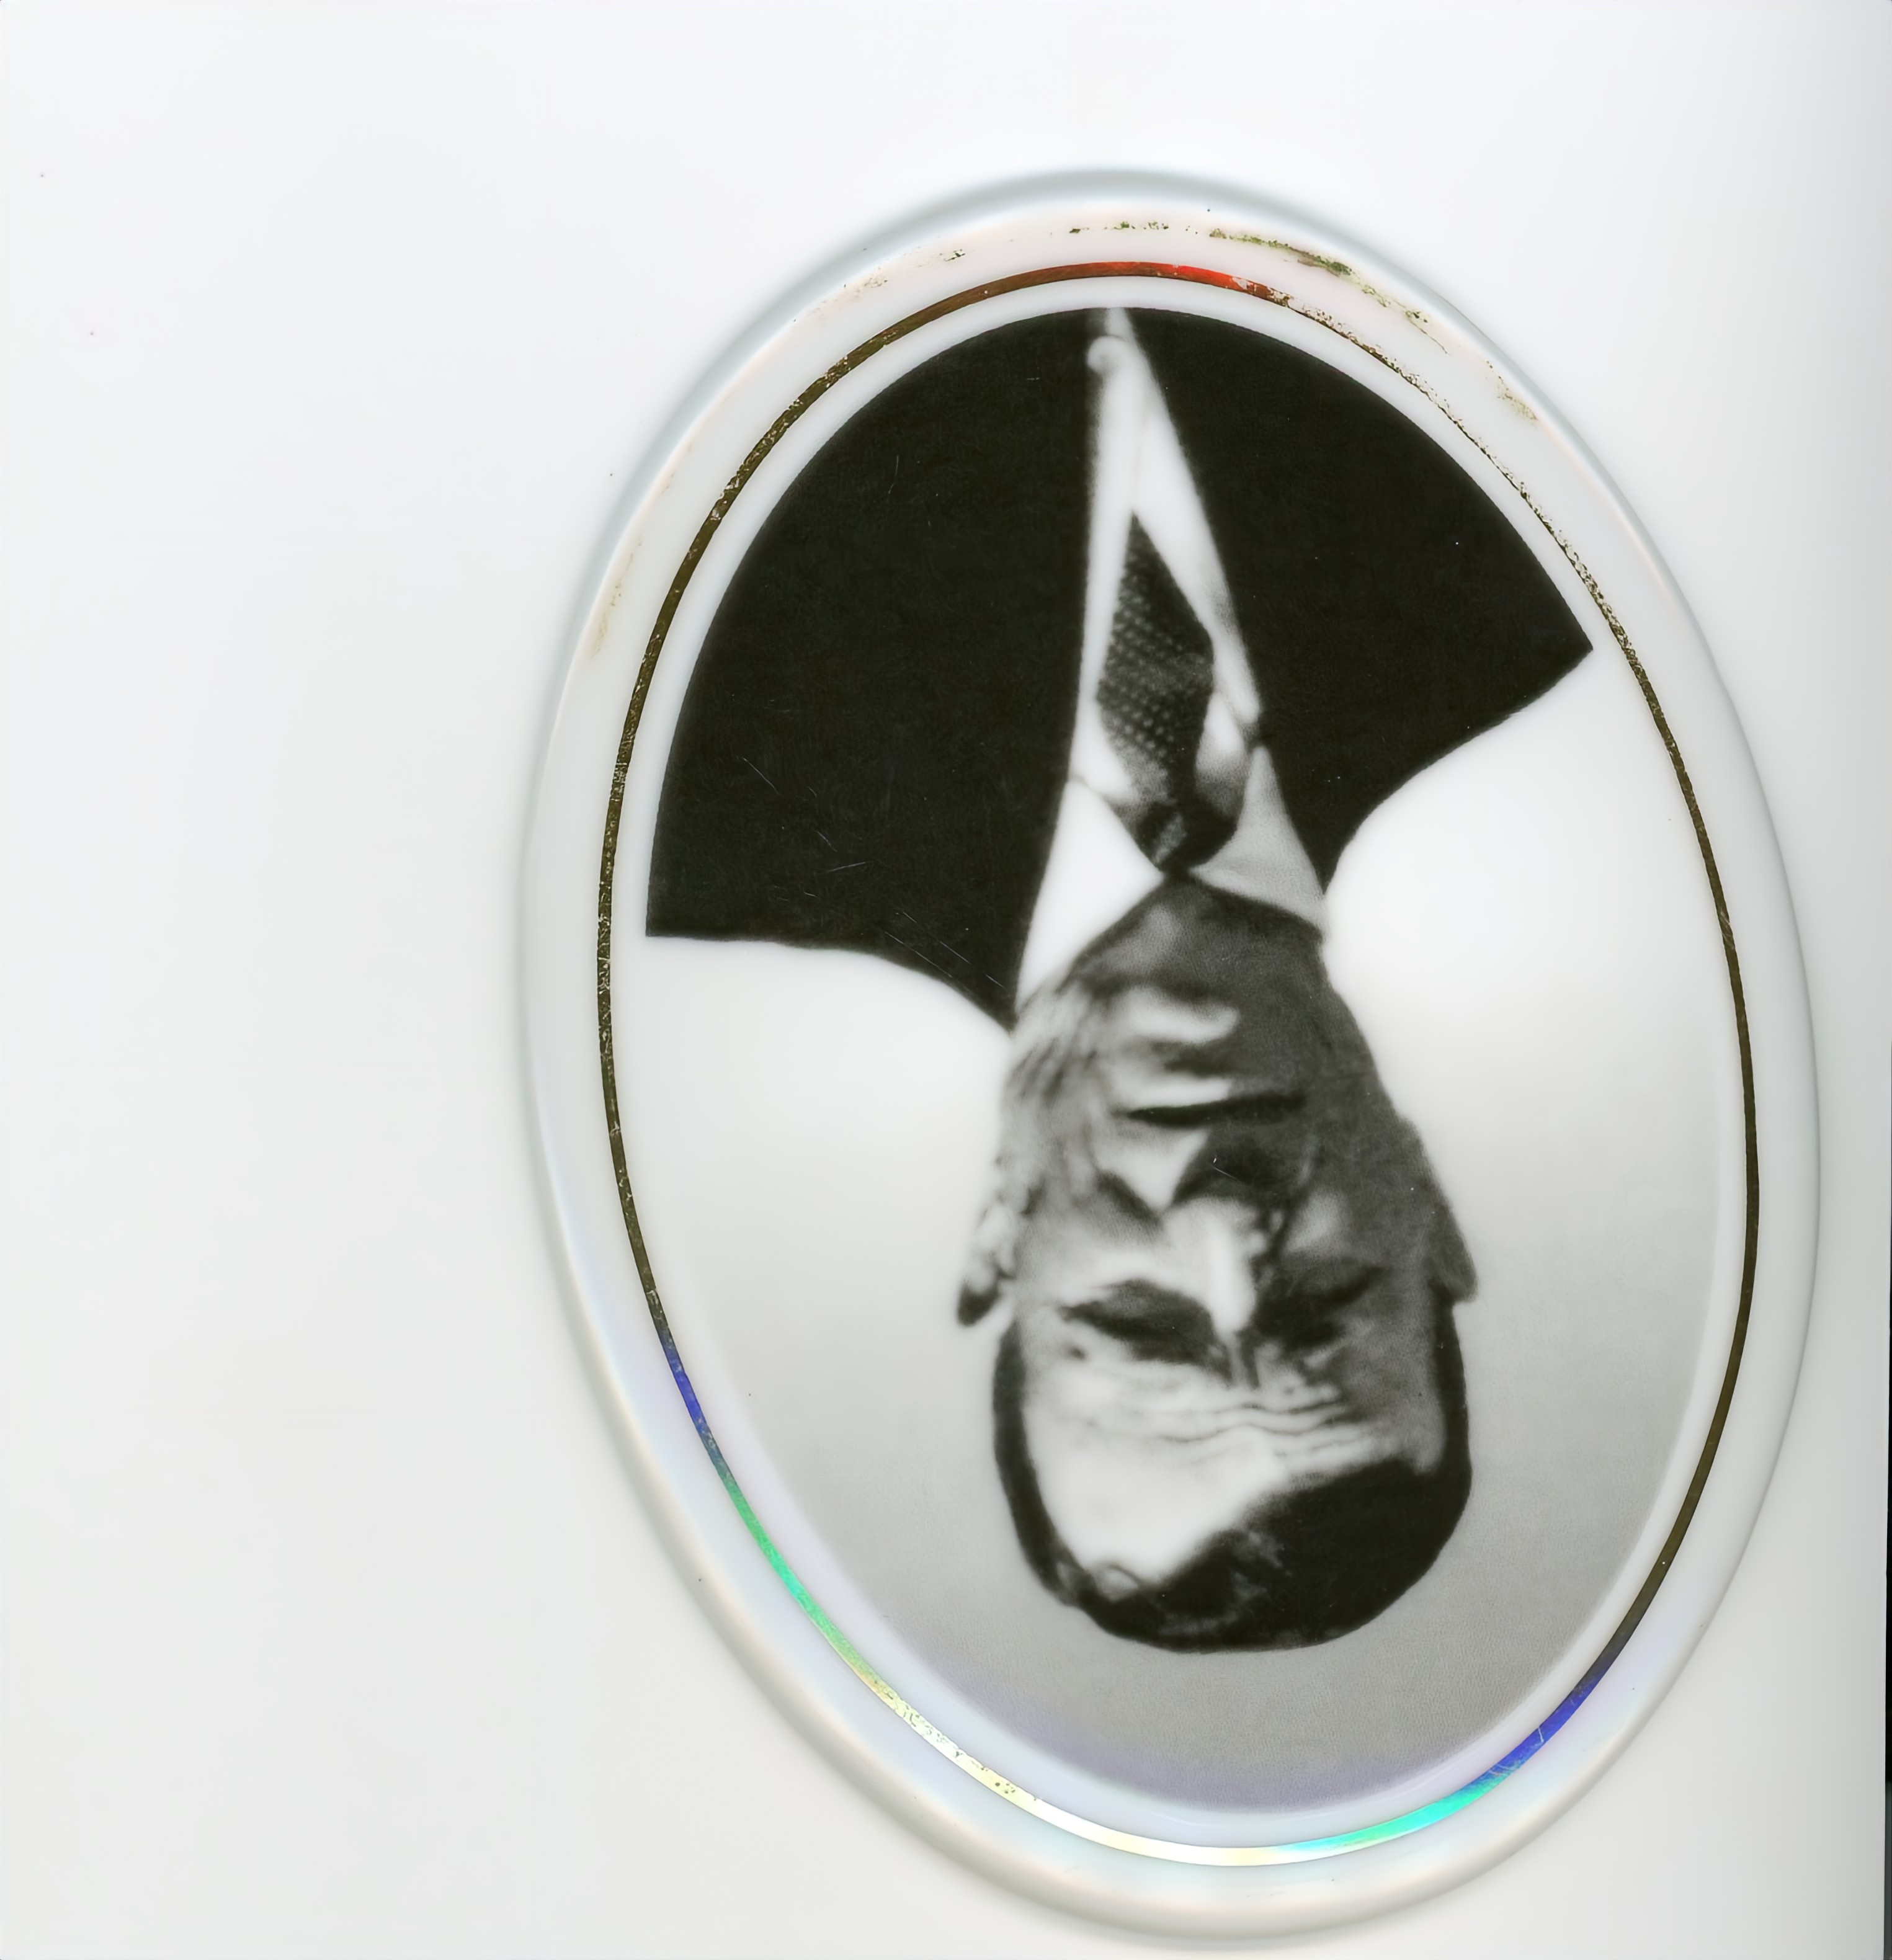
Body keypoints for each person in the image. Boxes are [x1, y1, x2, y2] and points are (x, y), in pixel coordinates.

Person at [648, 300, 1590, 1649]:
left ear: (995, 1244)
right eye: (1322, 1298)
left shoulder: (678, 799)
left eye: (1137, 1319)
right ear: (1430, 1216)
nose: (1219, 1224)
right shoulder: (1549, 570)